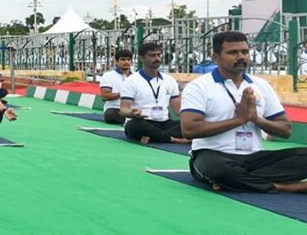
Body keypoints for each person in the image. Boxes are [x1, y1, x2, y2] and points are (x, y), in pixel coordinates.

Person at [181, 32, 307, 193]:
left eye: (245, 52)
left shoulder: (261, 85)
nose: (241, 57)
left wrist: (256, 119)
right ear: (216, 57)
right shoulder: (199, 86)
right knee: (219, 171)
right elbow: (189, 130)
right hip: (213, 155)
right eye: (233, 52)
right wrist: (239, 120)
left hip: (255, 158)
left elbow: (285, 130)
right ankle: (282, 186)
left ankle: (240, 180)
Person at [119, 43, 188, 145]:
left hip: (165, 123)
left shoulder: (170, 80)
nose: (157, 58)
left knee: (188, 125)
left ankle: (153, 137)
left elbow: (178, 110)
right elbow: (123, 110)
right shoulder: (131, 81)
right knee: (134, 125)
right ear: (141, 58)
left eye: (158, 55)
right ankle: (174, 139)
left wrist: (195, 117)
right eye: (152, 55)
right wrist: (132, 113)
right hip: (143, 121)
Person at [99, 49, 133, 125]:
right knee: (111, 114)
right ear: (116, 61)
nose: (126, 62)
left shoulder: (137, 77)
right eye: (123, 60)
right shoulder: (109, 76)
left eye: (128, 59)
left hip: (134, 109)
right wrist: (123, 93)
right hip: (116, 109)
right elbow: (104, 96)